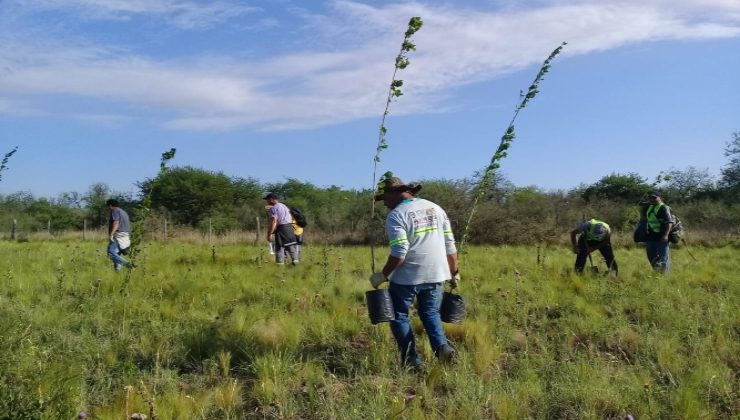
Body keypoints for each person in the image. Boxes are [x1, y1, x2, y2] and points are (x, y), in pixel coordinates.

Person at [369, 175, 460, 370]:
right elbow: (450, 245)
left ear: (395, 194)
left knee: (399, 315)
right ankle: (442, 349)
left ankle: (412, 361)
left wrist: (383, 275)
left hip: (407, 276)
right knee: (430, 312)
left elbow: (400, 252)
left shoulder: (396, 215)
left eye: (384, 199)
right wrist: (454, 271)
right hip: (437, 273)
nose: (384, 204)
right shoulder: (436, 208)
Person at [263, 193, 300, 265]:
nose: (267, 202)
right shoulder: (284, 206)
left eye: (267, 200)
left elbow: (274, 221)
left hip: (281, 229)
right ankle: (296, 264)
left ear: (271, 199)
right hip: (289, 228)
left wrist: (269, 233)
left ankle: (279, 267)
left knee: (279, 247)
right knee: (291, 246)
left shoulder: (274, 208)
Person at [643, 191, 673, 272]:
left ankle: (665, 277)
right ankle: (657, 273)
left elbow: (669, 222)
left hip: (662, 236)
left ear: (660, 198)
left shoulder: (663, 207)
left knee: (663, 258)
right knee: (651, 257)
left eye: (654, 197)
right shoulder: (649, 207)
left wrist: (665, 235)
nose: (652, 199)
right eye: (650, 198)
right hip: (651, 236)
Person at [106, 198, 133, 272]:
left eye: (108, 207)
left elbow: (116, 223)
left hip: (118, 235)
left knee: (111, 253)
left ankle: (129, 265)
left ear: (110, 205)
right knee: (117, 254)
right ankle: (117, 272)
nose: (108, 208)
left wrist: (111, 234)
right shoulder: (123, 212)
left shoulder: (115, 211)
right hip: (125, 235)